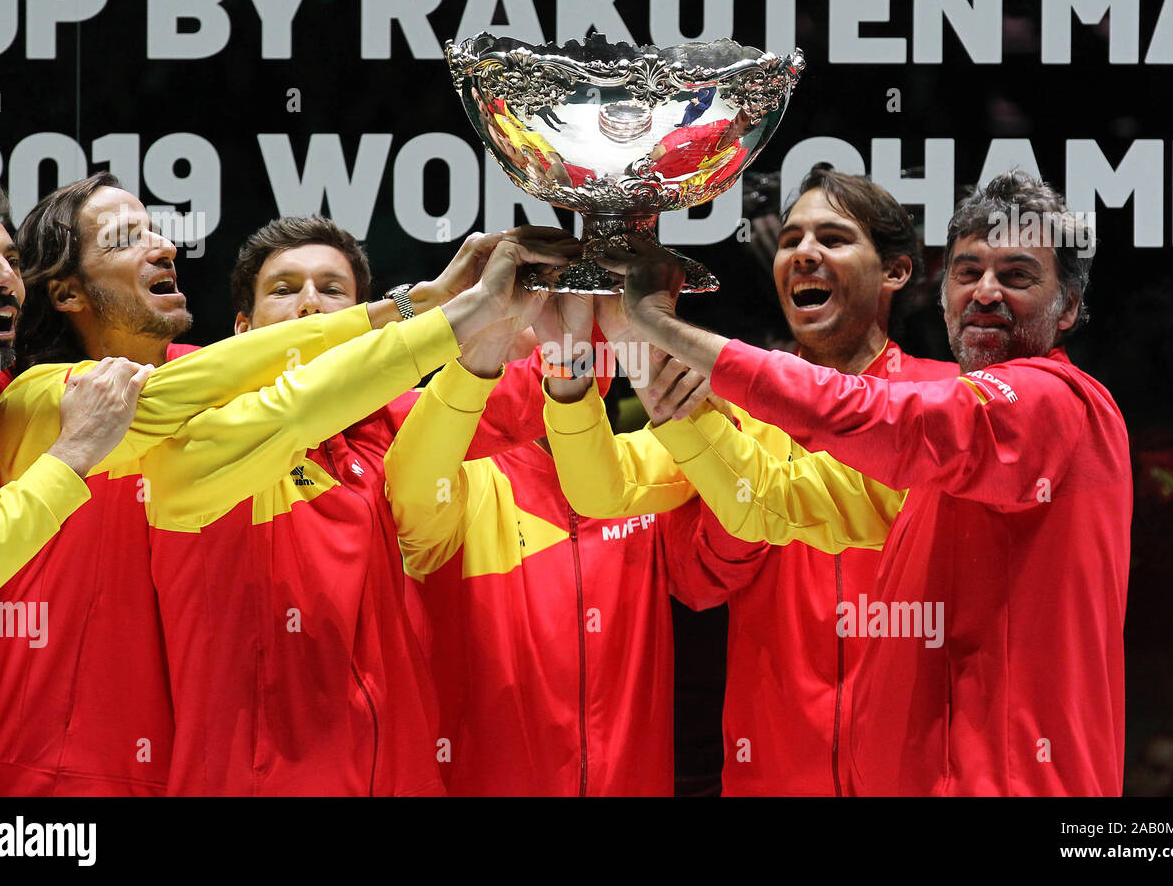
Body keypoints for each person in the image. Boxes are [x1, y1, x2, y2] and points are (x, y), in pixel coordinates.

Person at [0, 171, 540, 795]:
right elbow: (259, 397)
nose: (164, 246)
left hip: (174, 763)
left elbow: (389, 400)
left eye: (156, 229)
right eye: (125, 237)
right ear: (66, 293)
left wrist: (567, 330)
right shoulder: (37, 399)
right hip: (54, 767)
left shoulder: (211, 375)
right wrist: (422, 310)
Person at [608, 169, 1131, 795]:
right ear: (944, 296)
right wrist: (642, 370)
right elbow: (769, 504)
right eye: (967, 273)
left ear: (1068, 306)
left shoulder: (1045, 402)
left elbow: (878, 418)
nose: (986, 292)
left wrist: (668, 329)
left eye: (1017, 275)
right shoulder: (933, 439)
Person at [545, 165, 954, 795]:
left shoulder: (947, 401)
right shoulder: (734, 405)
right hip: (772, 770)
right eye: (790, 241)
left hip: (923, 773)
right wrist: (572, 370)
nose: (804, 253)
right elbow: (603, 491)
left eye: (834, 239)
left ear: (896, 272)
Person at [138, 215, 581, 795]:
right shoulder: (190, 421)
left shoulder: (386, 425)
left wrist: (583, 292)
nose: (310, 307)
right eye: (283, 289)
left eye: (332, 292)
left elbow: (522, 398)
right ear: (241, 329)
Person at [384, 292, 767, 795]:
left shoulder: (652, 465)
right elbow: (412, 484)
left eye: (587, 316)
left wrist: (718, 433)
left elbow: (712, 579)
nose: (565, 330)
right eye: (542, 309)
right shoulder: (452, 478)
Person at [0, 171, 152, 795]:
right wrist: (70, 458)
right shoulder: (51, 429)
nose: (6, 279)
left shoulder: (8, 406)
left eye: (10, 260)